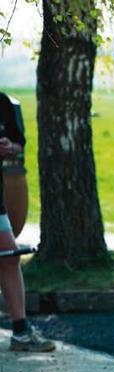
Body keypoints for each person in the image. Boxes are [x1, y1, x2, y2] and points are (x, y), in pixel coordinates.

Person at [1, 91, 55, 353]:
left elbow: (19, 143)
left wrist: (10, 148)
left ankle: (21, 333)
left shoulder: (4, 103)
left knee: (10, 257)